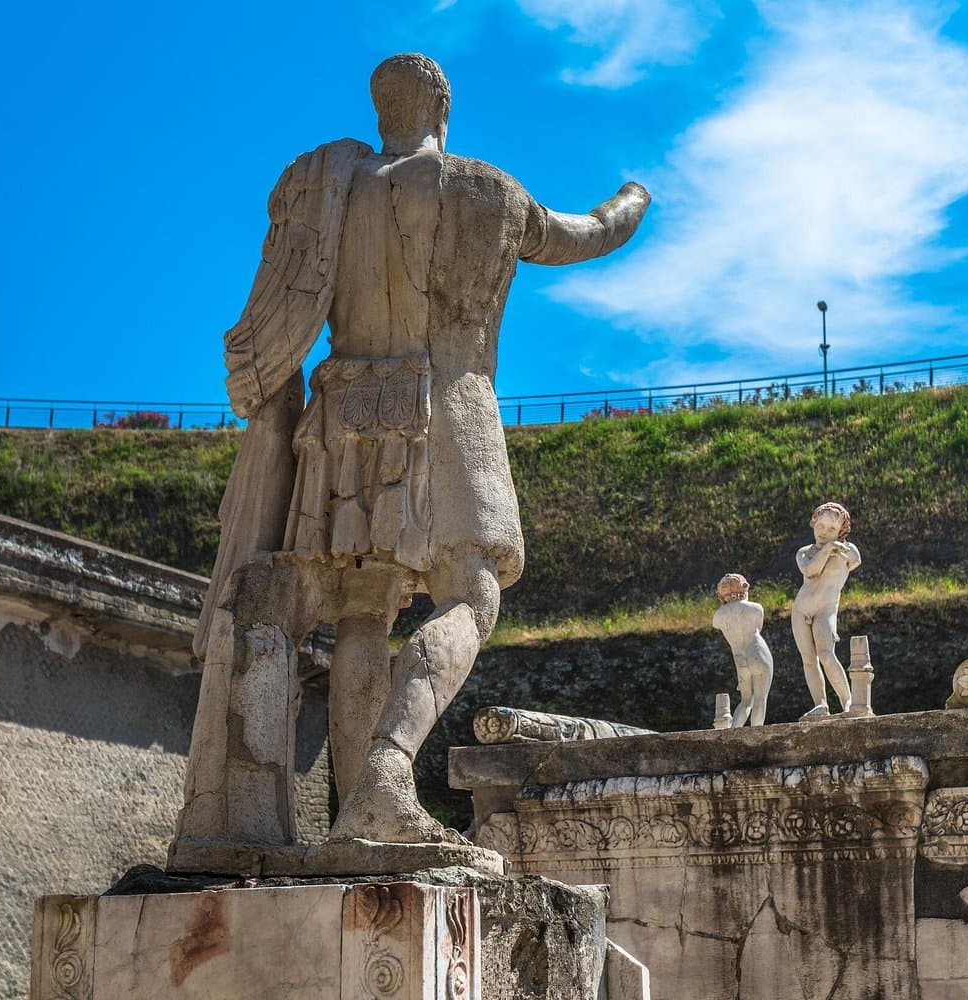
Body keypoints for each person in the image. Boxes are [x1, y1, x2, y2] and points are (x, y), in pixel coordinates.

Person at [182, 53, 651, 852]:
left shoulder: (333, 191)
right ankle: (389, 774)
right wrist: (635, 198)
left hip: (345, 411)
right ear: (442, 104)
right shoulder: (486, 190)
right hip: (447, 403)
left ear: (379, 110)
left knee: (364, 613)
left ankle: (356, 820)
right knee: (471, 595)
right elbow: (590, 232)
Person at [791, 502, 861, 719]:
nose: (824, 533)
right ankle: (820, 704)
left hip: (825, 610)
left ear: (841, 531)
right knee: (809, 659)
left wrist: (835, 547)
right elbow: (811, 570)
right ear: (813, 524)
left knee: (826, 655)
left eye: (831, 529)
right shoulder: (805, 552)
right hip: (801, 610)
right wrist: (829, 549)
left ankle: (847, 701)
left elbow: (856, 560)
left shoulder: (848, 551)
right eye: (820, 526)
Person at [712, 573, 774, 727]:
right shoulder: (756, 608)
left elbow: (718, 624)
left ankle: (735, 734)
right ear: (744, 588)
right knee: (760, 698)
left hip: (739, 658)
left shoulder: (718, 616)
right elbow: (758, 627)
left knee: (745, 701)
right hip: (757, 651)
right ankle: (756, 734)